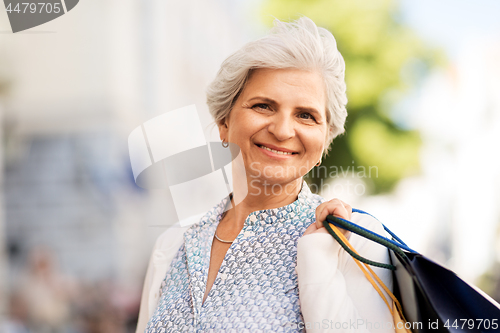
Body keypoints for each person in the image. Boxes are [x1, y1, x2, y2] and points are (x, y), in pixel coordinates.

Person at [136, 17, 395, 333]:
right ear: (224, 122)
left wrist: (318, 258)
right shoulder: (172, 244)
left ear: (326, 139)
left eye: (306, 115)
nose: (283, 130)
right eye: (263, 106)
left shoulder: (354, 240)